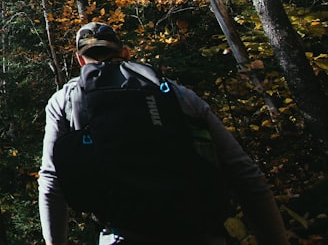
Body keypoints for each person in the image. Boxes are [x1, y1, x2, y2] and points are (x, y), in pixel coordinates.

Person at [38, 21, 289, 245]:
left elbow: (51, 182)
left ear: (80, 60)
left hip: (122, 235)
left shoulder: (65, 101)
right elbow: (246, 174)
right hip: (197, 231)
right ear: (125, 53)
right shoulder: (174, 92)